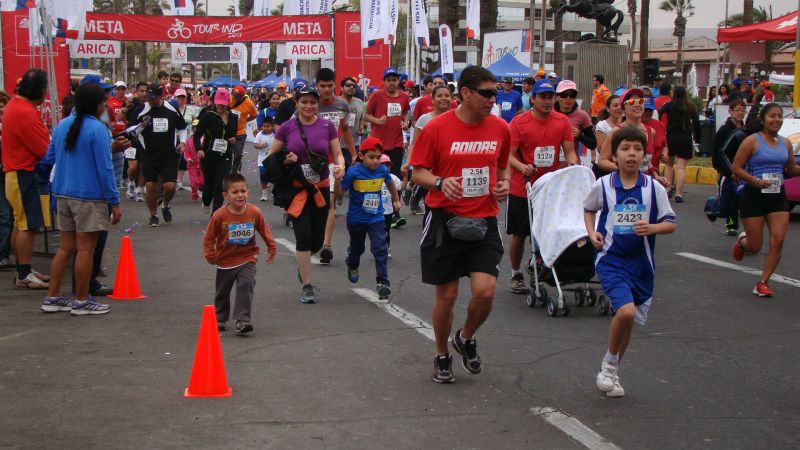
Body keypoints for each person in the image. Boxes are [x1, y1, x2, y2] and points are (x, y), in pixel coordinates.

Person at [410, 66, 511, 384]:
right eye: (486, 93)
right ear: (465, 93)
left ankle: (465, 337)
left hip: (484, 218)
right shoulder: (436, 128)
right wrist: (440, 182)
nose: (493, 99)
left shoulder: (500, 128)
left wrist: (505, 183)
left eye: (495, 93)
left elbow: (503, 165)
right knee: (448, 296)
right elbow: (417, 172)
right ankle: (442, 353)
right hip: (444, 220)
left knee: (486, 292)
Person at [584, 126, 677, 398]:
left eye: (637, 149)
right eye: (625, 149)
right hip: (611, 260)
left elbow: (670, 223)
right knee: (624, 312)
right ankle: (608, 365)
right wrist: (592, 233)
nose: (631, 154)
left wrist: (652, 227)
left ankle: (613, 370)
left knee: (629, 320)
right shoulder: (603, 185)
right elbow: (588, 209)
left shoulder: (653, 188)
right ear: (615, 155)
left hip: (642, 264)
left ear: (644, 155)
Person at [40, 82, 124, 315]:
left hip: (62, 193)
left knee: (65, 248)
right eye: (103, 103)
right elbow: (105, 169)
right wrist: (114, 201)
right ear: (97, 105)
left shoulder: (62, 125)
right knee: (86, 249)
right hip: (89, 196)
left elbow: (49, 158)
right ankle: (81, 299)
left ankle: (53, 296)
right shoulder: (98, 129)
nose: (105, 107)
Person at [266, 86, 345, 304]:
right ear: (297, 103)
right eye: (304, 102)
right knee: (303, 237)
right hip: (297, 189)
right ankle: (307, 285)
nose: (309, 106)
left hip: (320, 187)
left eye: (312, 102)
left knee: (317, 241)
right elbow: (271, 158)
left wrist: (340, 166)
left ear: (317, 104)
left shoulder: (327, 126)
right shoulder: (287, 127)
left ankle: (303, 265)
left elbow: (338, 153)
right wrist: (286, 160)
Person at [506, 78, 577, 294]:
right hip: (523, 187)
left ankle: (537, 265)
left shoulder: (562, 121)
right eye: (542, 97)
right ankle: (515, 273)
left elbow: (569, 151)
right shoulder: (519, 123)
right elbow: (508, 156)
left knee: (549, 231)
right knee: (519, 234)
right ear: (533, 99)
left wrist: (573, 166)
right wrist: (522, 167)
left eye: (550, 97)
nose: (547, 101)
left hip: (550, 187)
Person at [731, 103, 800, 298]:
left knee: (778, 241)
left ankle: (763, 282)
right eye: (772, 116)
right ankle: (743, 242)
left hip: (777, 197)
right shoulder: (752, 141)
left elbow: (791, 169)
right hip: (754, 196)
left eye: (779, 116)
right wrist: (755, 180)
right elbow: (736, 168)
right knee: (755, 247)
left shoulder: (785, 143)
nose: (776, 119)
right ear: (763, 119)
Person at [203, 173, 277, 334]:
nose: (240, 195)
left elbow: (265, 231)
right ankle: (220, 317)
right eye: (235, 192)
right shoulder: (219, 215)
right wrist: (210, 254)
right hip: (225, 260)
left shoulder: (254, 212)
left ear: (248, 192)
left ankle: (243, 320)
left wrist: (271, 247)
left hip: (247, 258)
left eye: (243, 191)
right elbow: (209, 237)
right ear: (225, 195)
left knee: (246, 284)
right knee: (222, 291)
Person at [2, 69, 51, 289]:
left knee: (20, 223)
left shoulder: (15, 105)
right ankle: (23, 274)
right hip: (22, 172)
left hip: (16, 172)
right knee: (27, 226)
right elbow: (44, 148)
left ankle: (24, 269)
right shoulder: (24, 112)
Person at [341, 137, 401, 300]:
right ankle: (352, 265)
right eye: (371, 157)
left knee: (380, 248)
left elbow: (390, 184)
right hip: (356, 219)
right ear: (361, 156)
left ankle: (383, 283)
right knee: (357, 249)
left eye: (378, 157)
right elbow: (341, 191)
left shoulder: (382, 170)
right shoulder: (353, 172)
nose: (375, 161)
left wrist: (396, 200)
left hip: (376, 217)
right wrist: (338, 181)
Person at [130, 82, 188, 226]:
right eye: (149, 97)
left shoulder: (171, 109)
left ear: (160, 96)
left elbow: (182, 127)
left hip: (168, 154)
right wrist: (142, 125)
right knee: (150, 186)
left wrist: (182, 142)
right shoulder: (141, 110)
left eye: (154, 97)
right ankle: (153, 215)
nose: (150, 100)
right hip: (149, 154)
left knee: (170, 186)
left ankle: (165, 204)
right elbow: (130, 131)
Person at [316, 68, 357, 265]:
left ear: (335, 85)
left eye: (329, 85)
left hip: (333, 160)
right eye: (322, 86)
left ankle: (326, 245)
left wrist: (354, 153)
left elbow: (345, 130)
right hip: (311, 162)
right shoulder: (309, 103)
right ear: (317, 86)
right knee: (313, 203)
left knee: (330, 201)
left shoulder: (342, 105)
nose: (326, 89)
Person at [404, 85, 453, 215]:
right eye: (439, 96)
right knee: (431, 204)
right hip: (428, 167)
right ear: (432, 100)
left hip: (448, 166)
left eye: (447, 95)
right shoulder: (424, 119)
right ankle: (415, 196)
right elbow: (414, 143)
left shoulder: (457, 118)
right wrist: (408, 161)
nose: (443, 98)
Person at [598, 89, 663, 181]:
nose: (637, 105)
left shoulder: (651, 131)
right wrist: (624, 168)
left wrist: (656, 175)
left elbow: (646, 160)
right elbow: (602, 161)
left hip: (643, 183)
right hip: (622, 182)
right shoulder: (617, 131)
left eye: (640, 101)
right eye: (631, 102)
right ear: (623, 109)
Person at [193, 88, 239, 214]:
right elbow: (197, 135)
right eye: (219, 103)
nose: (221, 106)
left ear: (228, 102)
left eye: (223, 103)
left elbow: (233, 134)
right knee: (209, 183)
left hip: (225, 154)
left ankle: (216, 214)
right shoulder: (208, 115)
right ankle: (206, 201)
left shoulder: (233, 117)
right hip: (208, 154)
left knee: (220, 184)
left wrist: (233, 139)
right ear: (215, 102)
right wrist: (199, 149)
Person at [658, 86, 701, 202]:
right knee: (681, 167)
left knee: (669, 164)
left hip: (671, 136)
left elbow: (659, 112)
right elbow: (697, 123)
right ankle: (679, 194)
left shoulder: (669, 105)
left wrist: (660, 126)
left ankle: (667, 189)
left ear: (674, 93)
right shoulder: (690, 106)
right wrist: (698, 140)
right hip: (685, 137)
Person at [365, 67, 410, 178]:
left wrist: (406, 122)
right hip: (378, 143)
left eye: (394, 80)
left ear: (398, 81)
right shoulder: (377, 95)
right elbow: (365, 115)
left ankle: (395, 190)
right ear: (384, 81)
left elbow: (404, 113)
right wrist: (377, 121)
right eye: (388, 80)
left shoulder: (404, 96)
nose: (391, 83)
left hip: (397, 142)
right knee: (377, 175)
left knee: (394, 175)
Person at [712, 99, 747, 235]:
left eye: (743, 110)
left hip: (743, 169)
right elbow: (717, 150)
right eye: (738, 110)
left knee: (741, 199)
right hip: (728, 169)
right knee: (729, 200)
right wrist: (719, 169)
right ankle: (728, 222)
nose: (741, 113)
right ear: (730, 111)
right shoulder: (724, 129)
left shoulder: (745, 130)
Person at [554, 80, 596, 166]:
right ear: (557, 97)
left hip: (572, 167)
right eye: (564, 95)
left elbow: (593, 144)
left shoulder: (582, 115)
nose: (568, 98)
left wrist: (579, 136)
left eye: (572, 95)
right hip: (550, 168)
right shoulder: (549, 114)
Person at [124, 81, 149, 202]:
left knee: (144, 167)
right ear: (136, 92)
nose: (144, 93)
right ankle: (131, 184)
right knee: (133, 166)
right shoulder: (132, 105)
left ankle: (139, 190)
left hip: (146, 140)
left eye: (146, 91)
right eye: (141, 91)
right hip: (131, 139)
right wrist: (125, 108)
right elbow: (119, 118)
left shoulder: (152, 105)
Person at [229, 85, 258, 173]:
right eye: (234, 96)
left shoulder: (249, 103)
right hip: (228, 131)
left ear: (242, 96)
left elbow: (254, 115)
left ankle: (235, 173)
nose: (235, 98)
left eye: (237, 97)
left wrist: (245, 120)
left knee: (238, 155)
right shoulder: (229, 99)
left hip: (240, 133)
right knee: (226, 154)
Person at [0, 92, 14, 270]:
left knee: (8, 216)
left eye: (4, 108)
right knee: (5, 216)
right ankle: (3, 255)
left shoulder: (10, 128)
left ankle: (4, 254)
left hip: (8, 175)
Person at [174, 88, 197, 191]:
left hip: (187, 137)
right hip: (173, 137)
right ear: (175, 98)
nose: (181, 99)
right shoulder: (171, 109)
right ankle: (172, 178)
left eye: (183, 97)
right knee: (173, 158)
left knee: (184, 159)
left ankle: (179, 180)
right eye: (179, 97)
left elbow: (195, 121)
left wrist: (194, 131)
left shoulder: (191, 110)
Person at [379, 153, 402, 259]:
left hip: (387, 211)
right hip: (375, 210)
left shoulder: (392, 177)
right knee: (377, 231)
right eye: (383, 165)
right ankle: (378, 247)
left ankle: (387, 247)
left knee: (386, 231)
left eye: (388, 165)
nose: (386, 167)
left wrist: (405, 176)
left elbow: (402, 187)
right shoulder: (372, 176)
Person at [594, 95, 621, 174]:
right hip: (603, 170)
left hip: (621, 167)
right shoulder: (602, 125)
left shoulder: (625, 124)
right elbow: (600, 149)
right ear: (608, 109)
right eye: (615, 105)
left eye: (620, 105)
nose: (619, 107)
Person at [254, 118, 275, 202]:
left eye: (268, 126)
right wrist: (260, 146)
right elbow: (255, 145)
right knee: (263, 176)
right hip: (262, 160)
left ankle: (275, 191)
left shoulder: (276, 134)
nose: (265, 128)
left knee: (274, 176)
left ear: (273, 126)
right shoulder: (260, 134)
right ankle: (264, 194)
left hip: (273, 159)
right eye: (264, 126)